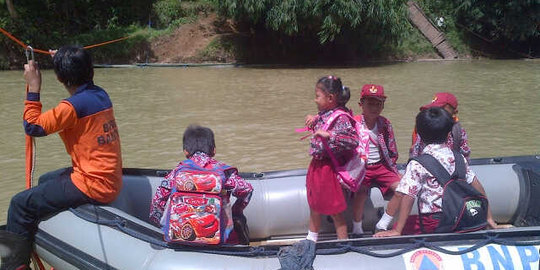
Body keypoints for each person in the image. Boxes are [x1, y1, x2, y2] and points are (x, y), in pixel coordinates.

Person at [4, 45, 122, 267]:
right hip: (108, 180)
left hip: (93, 184)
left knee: (18, 204)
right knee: (46, 180)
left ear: (59, 78)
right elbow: (78, 93)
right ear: (91, 71)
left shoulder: (71, 108)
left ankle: (14, 265)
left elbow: (32, 126)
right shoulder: (100, 94)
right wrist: (63, 60)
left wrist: (33, 86)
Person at [374, 107, 497, 237]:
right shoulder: (459, 157)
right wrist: (489, 218)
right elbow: (477, 187)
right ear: (449, 132)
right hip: (461, 215)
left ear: (419, 134)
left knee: (406, 226)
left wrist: (397, 230)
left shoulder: (418, 163)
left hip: (434, 221)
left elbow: (408, 196)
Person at [149, 124, 253, 244]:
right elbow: (247, 190)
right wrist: (236, 211)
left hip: (179, 239)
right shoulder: (223, 173)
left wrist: (160, 225)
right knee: (237, 226)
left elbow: (158, 201)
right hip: (220, 240)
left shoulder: (176, 173)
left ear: (185, 151)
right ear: (213, 150)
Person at [303, 75, 358, 241]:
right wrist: (314, 119)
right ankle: (311, 240)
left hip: (329, 168)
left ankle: (344, 242)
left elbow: (352, 140)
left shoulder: (341, 117)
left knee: (335, 210)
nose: (315, 99)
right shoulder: (325, 113)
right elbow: (322, 120)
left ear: (331, 98)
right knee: (314, 203)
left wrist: (330, 135)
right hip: (317, 166)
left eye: (317, 96)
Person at [350, 84, 401, 235]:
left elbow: (392, 149)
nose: (374, 107)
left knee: (402, 189)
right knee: (361, 193)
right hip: (361, 167)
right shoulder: (353, 123)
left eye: (378, 104)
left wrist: (395, 171)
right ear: (361, 104)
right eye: (370, 103)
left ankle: (383, 223)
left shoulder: (385, 124)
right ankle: (357, 229)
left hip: (381, 166)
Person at [410, 92, 471, 161]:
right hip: (426, 166)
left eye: (441, 110)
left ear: (454, 113)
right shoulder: (425, 127)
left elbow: (465, 156)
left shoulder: (459, 132)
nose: (437, 115)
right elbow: (415, 152)